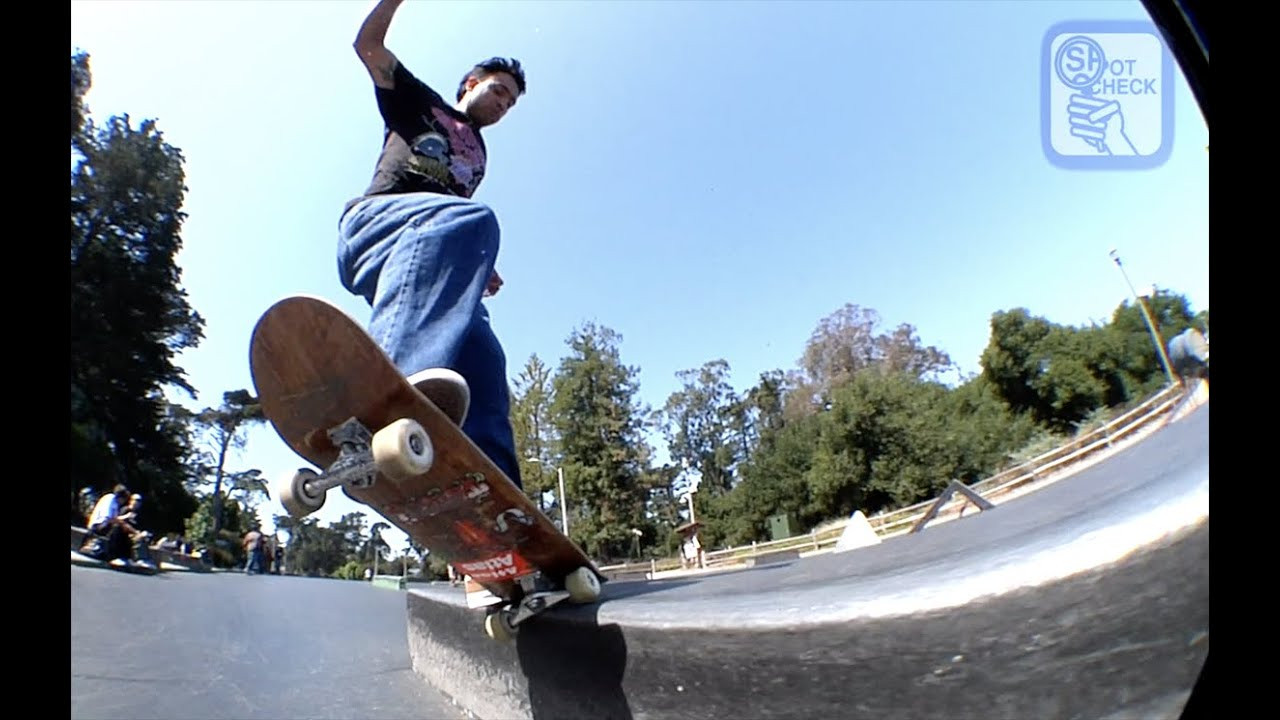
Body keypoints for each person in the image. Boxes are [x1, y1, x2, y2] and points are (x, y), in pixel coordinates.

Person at [337, 0, 526, 489]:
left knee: (485, 360)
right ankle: (380, 406)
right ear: (471, 84)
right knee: (474, 219)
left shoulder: (480, 154)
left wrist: (482, 260)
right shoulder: (420, 100)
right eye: (499, 92)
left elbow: (453, 207)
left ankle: (499, 498)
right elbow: (368, 47)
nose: (502, 106)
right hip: (376, 227)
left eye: (510, 104)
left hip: (428, 259)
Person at [84, 485, 133, 564]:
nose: (123, 502)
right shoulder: (110, 499)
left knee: (122, 529)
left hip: (104, 525)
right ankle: (116, 555)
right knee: (118, 529)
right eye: (124, 500)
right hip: (98, 525)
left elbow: (115, 518)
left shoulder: (115, 502)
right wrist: (124, 518)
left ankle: (121, 556)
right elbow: (108, 517)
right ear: (121, 497)